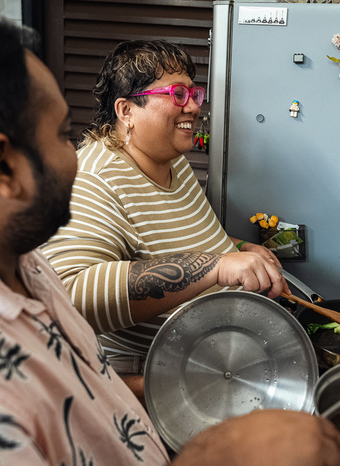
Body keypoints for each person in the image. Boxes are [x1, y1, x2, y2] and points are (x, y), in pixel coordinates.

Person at [0, 5, 340, 465]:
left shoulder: (9, 256)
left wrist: (194, 385)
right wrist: (214, 454)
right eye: (61, 134)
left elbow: (79, 377)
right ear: (2, 166)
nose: (77, 158)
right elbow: (83, 290)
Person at [41, 40, 289, 381]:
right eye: (177, 94)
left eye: (193, 94)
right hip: (154, 379)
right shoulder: (94, 178)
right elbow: (70, 293)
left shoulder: (171, 161)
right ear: (126, 110)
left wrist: (238, 248)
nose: (192, 107)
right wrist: (216, 267)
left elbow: (174, 239)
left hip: (214, 357)